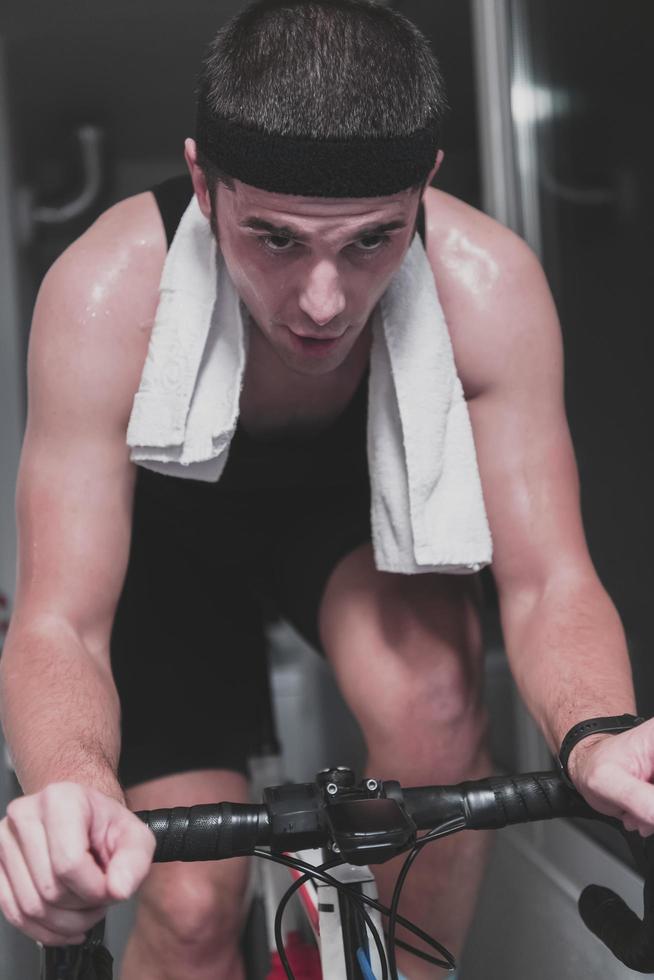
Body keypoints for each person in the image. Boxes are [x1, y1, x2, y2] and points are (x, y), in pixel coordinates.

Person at [0, 1, 653, 978]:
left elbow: (551, 580)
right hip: (163, 542)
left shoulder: (489, 284)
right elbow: (59, 621)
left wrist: (602, 736)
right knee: (186, 899)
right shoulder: (104, 292)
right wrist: (72, 784)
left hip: (348, 517)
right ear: (202, 186)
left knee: (436, 700)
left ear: (424, 190)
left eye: (368, 243)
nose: (323, 301)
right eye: (275, 239)